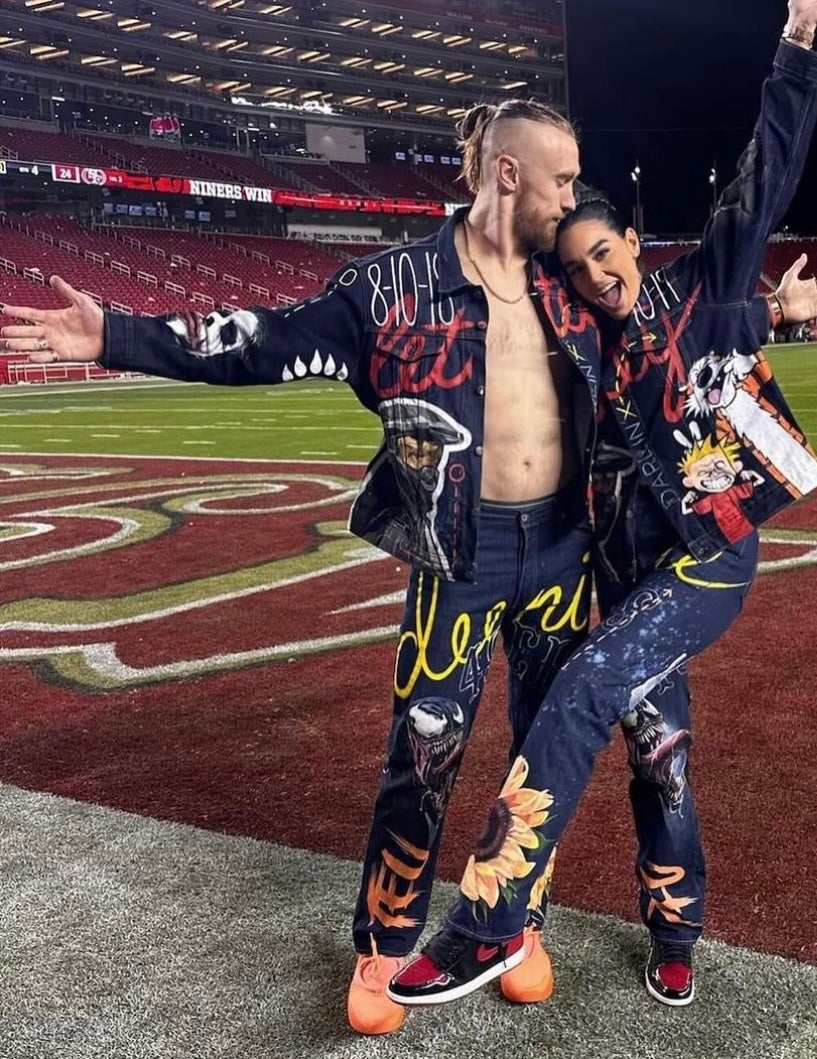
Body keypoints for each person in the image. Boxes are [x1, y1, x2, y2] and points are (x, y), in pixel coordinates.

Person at [0, 98, 606, 1036]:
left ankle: (514, 924)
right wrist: (115, 336)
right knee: (424, 750)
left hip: (564, 546)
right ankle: (385, 942)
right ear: (509, 173)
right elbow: (266, 340)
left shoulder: (574, 283)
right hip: (460, 552)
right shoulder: (391, 287)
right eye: (561, 177)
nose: (574, 197)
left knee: (547, 750)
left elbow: (675, 326)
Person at [386, 0, 817, 1009]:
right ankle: (674, 926)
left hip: (709, 559)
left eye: (605, 251)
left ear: (633, 246)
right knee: (659, 749)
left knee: (584, 693)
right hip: (628, 580)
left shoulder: (706, 283)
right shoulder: (579, 354)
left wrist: (795, 41)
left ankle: (487, 922)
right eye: (577, 268)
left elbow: (767, 170)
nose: (598, 275)